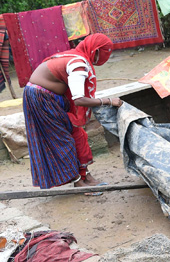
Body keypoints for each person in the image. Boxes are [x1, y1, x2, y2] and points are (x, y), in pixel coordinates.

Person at [23, 33, 123, 192]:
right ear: (95, 51)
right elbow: (79, 100)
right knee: (62, 140)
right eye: (104, 53)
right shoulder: (78, 64)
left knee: (78, 135)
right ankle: (78, 181)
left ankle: (85, 175)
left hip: (53, 99)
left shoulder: (77, 57)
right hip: (42, 99)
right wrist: (109, 101)